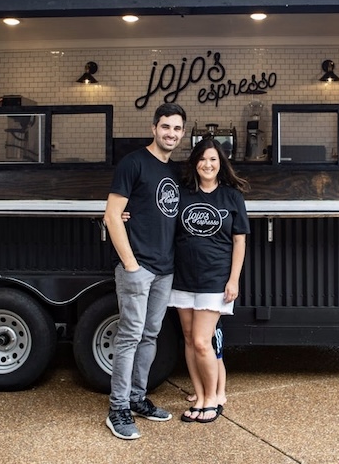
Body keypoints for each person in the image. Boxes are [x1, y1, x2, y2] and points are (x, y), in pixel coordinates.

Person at [103, 102, 186, 440]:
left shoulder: (175, 172)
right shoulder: (134, 162)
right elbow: (112, 215)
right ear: (154, 128)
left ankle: (137, 398)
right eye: (166, 126)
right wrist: (131, 265)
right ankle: (117, 408)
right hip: (139, 267)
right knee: (129, 336)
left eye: (177, 129)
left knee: (150, 336)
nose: (171, 133)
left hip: (165, 270)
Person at [171, 137, 249, 424]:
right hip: (183, 278)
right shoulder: (183, 194)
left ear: (221, 164)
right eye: (202, 159)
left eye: (213, 159)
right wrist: (127, 215)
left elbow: (239, 241)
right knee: (190, 340)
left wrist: (234, 280)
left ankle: (213, 398)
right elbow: (158, 216)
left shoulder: (231, 197)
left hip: (215, 279)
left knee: (204, 342)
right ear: (195, 163)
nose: (208, 164)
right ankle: (200, 393)